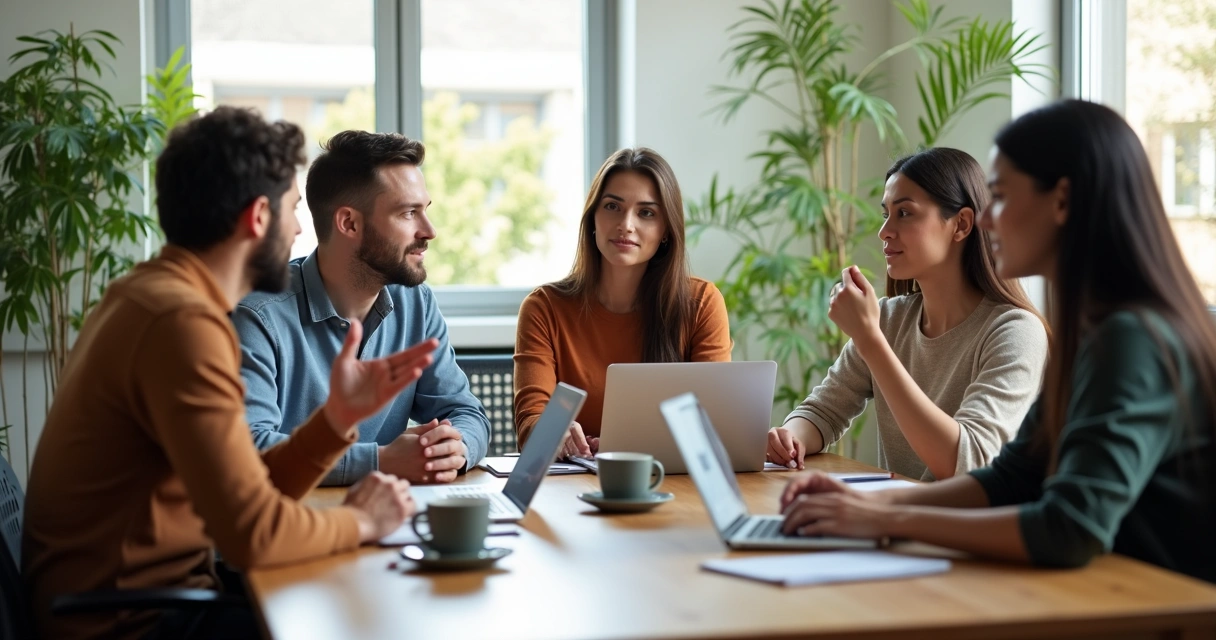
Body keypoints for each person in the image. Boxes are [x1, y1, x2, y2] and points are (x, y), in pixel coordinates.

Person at [22, 107, 431, 640]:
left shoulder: (152, 295)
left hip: (161, 598)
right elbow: (254, 534)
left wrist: (334, 422)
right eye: (290, 209)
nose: (301, 226)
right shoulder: (181, 322)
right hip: (134, 622)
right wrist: (364, 522)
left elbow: (251, 491)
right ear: (258, 218)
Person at [779, 100, 1216, 583]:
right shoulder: (1094, 334)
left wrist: (885, 519)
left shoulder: (1129, 339)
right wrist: (861, 503)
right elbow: (1011, 478)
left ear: (1062, 201)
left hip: (1159, 609)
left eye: (1001, 197)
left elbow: (1069, 527)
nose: (988, 221)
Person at [768, 148, 1048, 480]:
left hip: (969, 528)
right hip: (901, 517)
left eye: (904, 213)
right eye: (886, 213)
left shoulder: (1015, 332)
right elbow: (823, 412)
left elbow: (966, 462)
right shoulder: (888, 319)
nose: (884, 231)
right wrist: (791, 437)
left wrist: (870, 339)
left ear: (961, 224)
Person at [232, 130, 490, 486]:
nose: (429, 231)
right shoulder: (259, 315)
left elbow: (465, 412)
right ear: (349, 223)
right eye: (408, 213)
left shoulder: (415, 302)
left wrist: (453, 450)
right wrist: (380, 461)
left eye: (425, 211)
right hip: (301, 524)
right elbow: (251, 449)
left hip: (390, 518)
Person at [514, 147, 732, 458]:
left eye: (646, 212)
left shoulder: (701, 303)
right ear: (593, 217)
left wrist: (630, 446)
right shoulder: (544, 308)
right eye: (613, 206)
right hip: (573, 486)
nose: (625, 224)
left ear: (666, 230)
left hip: (672, 484)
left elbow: (714, 424)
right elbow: (530, 427)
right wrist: (552, 433)